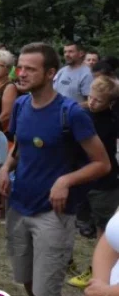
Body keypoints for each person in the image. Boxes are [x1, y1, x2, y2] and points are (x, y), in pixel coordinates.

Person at [0, 43, 111, 296]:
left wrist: (66, 180)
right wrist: (5, 167)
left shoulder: (70, 113)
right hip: (18, 205)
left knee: (45, 289)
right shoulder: (21, 105)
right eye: (20, 68)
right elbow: (20, 146)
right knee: (26, 279)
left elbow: (102, 163)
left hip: (53, 213)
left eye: (30, 69)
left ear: (50, 74)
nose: (22, 74)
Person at [68, 77, 119, 289]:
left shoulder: (112, 122)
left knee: (103, 228)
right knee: (78, 222)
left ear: (110, 102)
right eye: (90, 97)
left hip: (104, 184)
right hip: (82, 179)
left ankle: (98, 273)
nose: (92, 102)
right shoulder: (83, 114)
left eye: (98, 100)